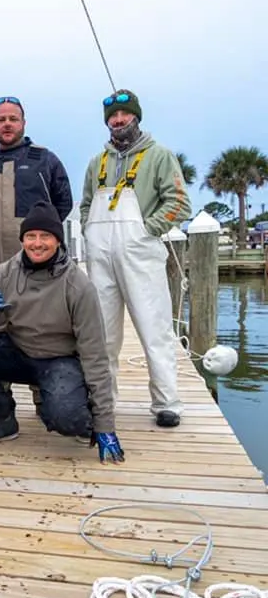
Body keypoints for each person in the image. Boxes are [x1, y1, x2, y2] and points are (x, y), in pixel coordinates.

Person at [0, 201, 124, 464]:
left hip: (59, 359)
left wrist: (105, 426)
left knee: (68, 420)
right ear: (23, 240)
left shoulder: (78, 285)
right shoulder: (5, 273)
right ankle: (2, 420)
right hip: (18, 351)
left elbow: (96, 355)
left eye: (46, 236)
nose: (37, 243)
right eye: (31, 236)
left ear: (58, 241)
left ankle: (73, 406)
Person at [79, 89, 192, 428]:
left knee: (154, 330)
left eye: (124, 114)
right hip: (100, 259)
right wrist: (87, 227)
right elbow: (85, 204)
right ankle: (104, 401)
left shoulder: (159, 156)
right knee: (102, 335)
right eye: (113, 117)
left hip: (141, 256)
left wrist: (147, 229)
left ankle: (166, 402)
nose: (118, 120)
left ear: (136, 116)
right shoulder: (95, 163)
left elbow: (179, 204)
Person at [0, 96, 74, 419]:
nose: (7, 124)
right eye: (1, 120)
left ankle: (45, 397)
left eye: (13, 118)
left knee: (43, 330)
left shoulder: (45, 160)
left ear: (23, 122)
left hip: (37, 270)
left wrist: (40, 243)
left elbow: (63, 204)